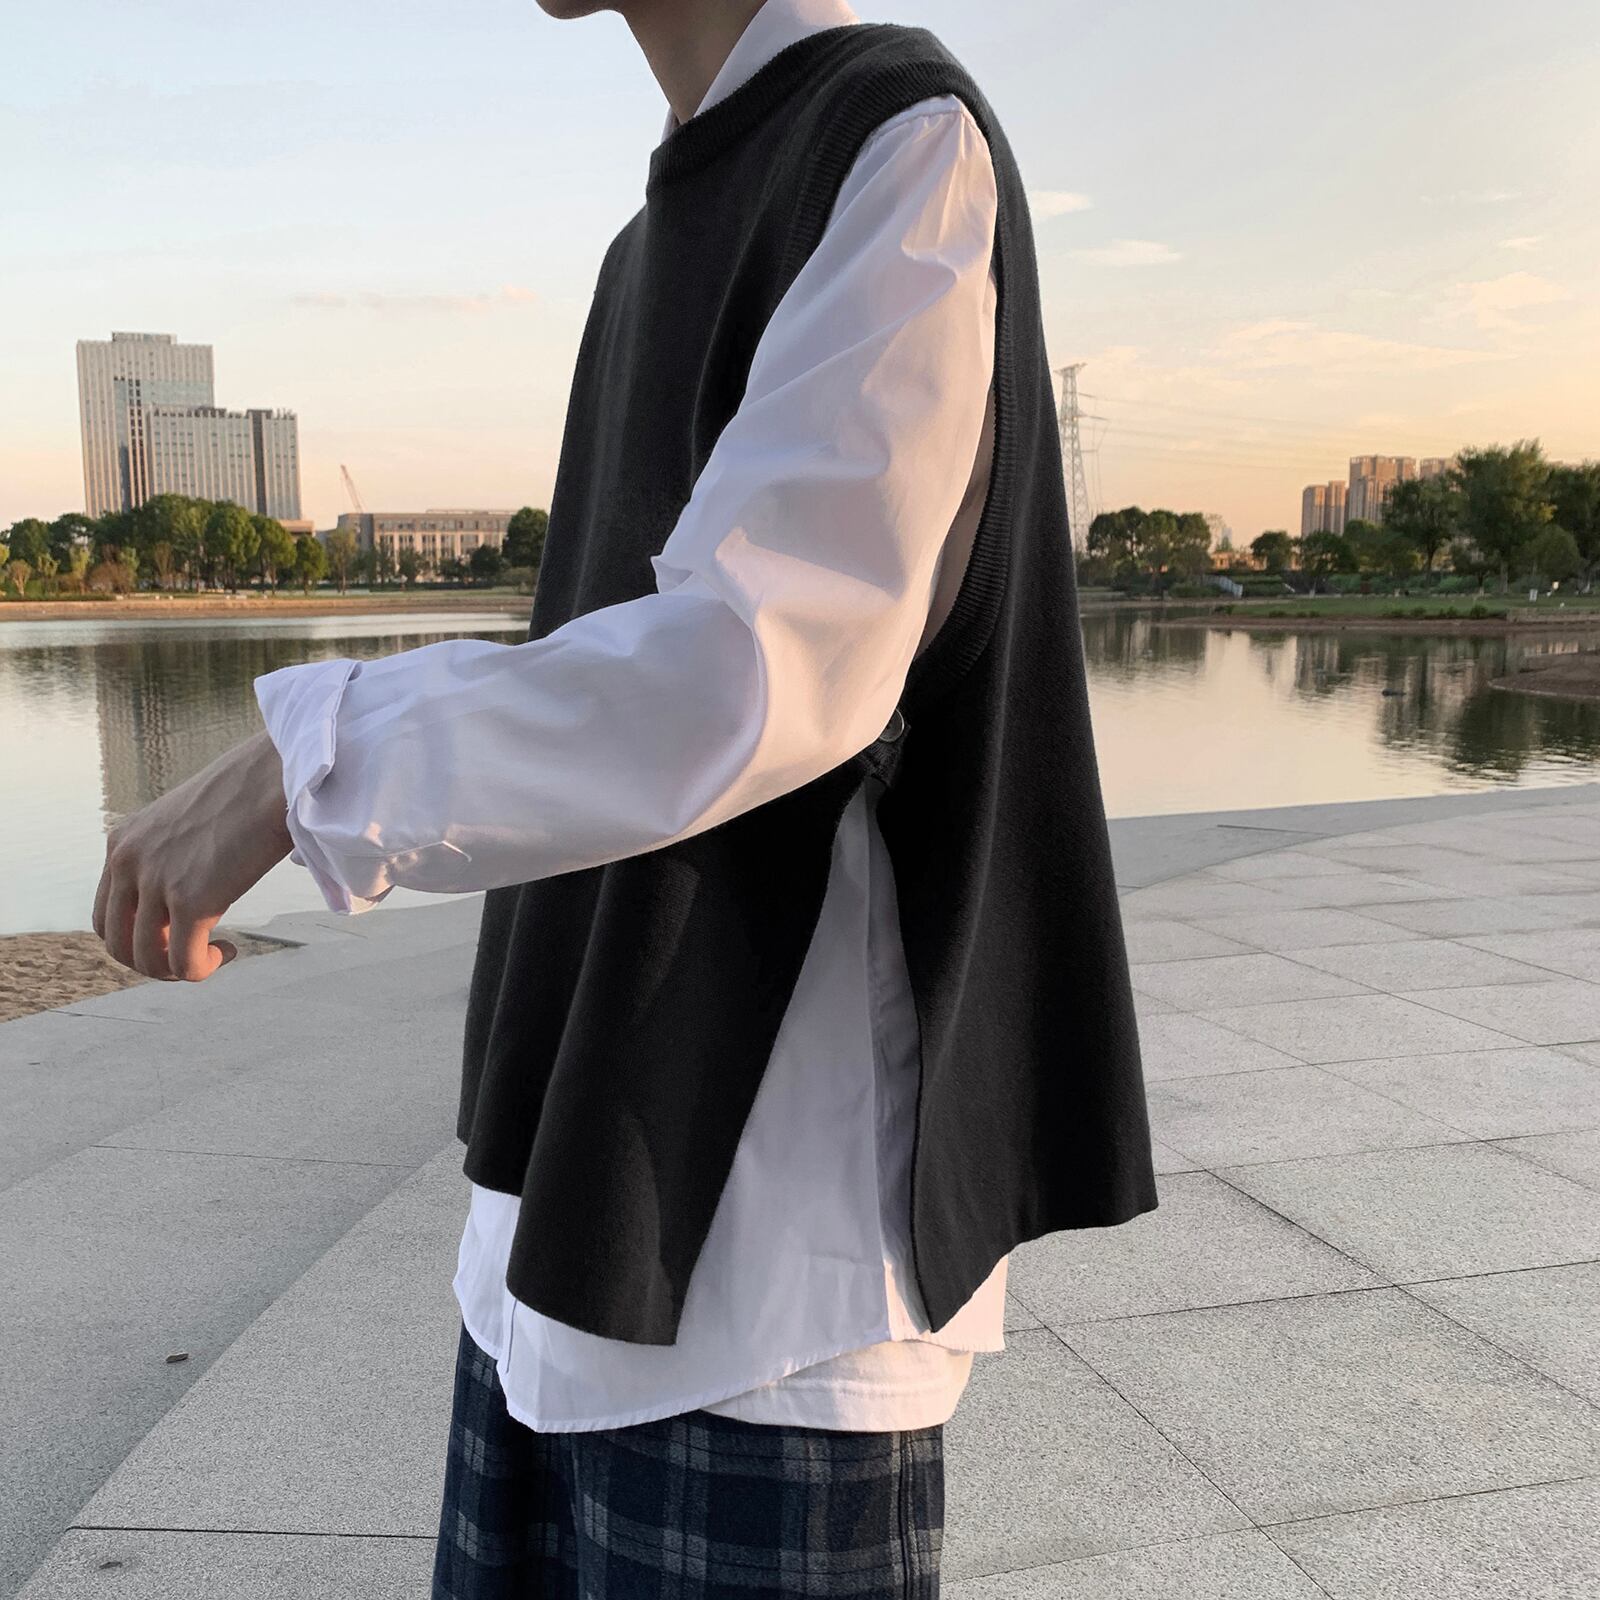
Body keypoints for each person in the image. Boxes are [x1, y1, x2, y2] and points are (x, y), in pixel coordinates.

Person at [91, 2, 1157, 1594]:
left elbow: (758, 663)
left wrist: (304, 759)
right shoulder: (652, 234)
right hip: (558, 1223)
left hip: (767, 1279)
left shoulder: (898, 141)